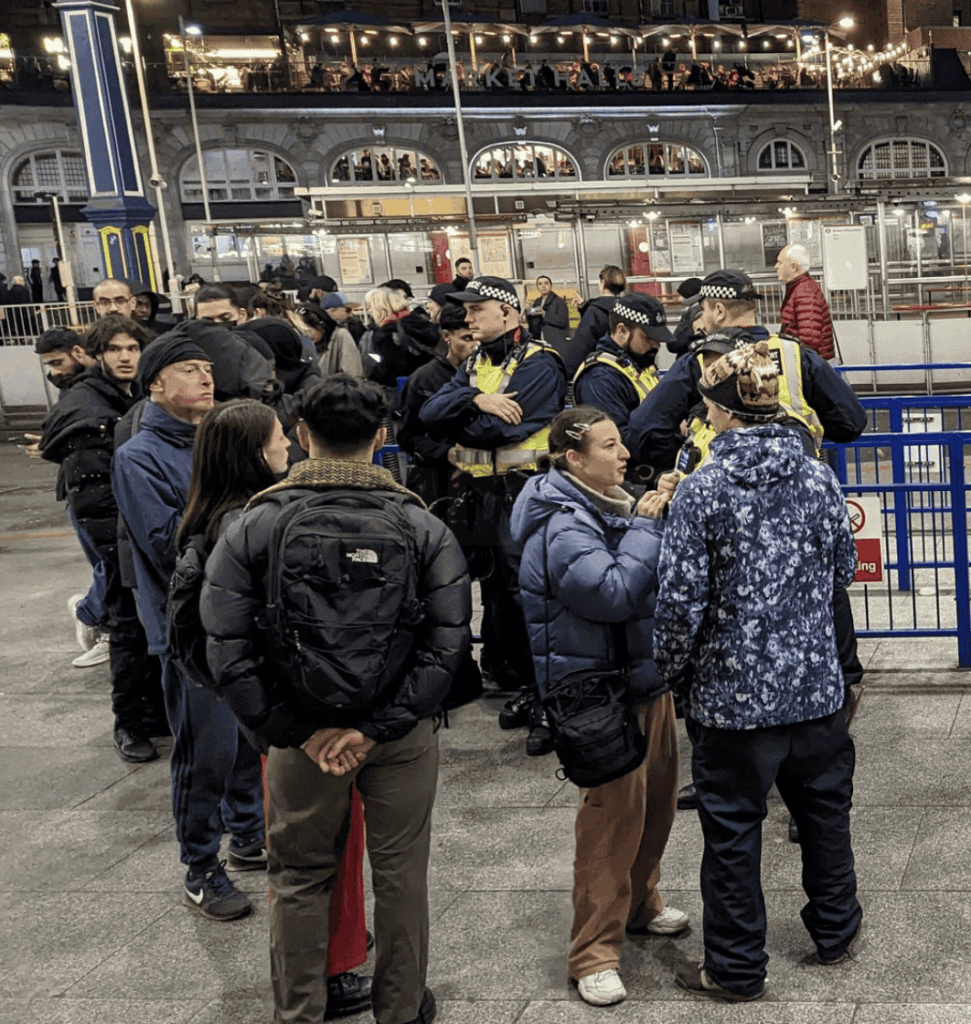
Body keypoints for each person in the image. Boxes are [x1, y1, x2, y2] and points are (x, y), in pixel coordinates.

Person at [201, 376, 472, 1024]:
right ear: (381, 439)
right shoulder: (418, 523)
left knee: (295, 879)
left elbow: (225, 645)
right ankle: (400, 1008)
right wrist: (381, 726)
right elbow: (448, 642)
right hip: (400, 737)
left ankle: (299, 1011)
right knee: (401, 875)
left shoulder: (253, 524)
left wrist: (293, 729)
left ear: (300, 436)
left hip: (301, 738)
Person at [653, 342, 862, 1002]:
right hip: (817, 693)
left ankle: (736, 968)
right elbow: (841, 574)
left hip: (732, 702)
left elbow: (678, 605)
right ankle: (836, 929)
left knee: (733, 835)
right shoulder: (817, 477)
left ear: (717, 412)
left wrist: (673, 675)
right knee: (825, 816)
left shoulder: (701, 492)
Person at [175, 399, 373, 1019]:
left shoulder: (212, 520)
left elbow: (197, 640)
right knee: (325, 852)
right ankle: (330, 971)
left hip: (270, 718)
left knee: (297, 851)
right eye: (278, 438)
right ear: (255, 454)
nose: (289, 444)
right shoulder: (261, 525)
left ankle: (321, 961)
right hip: (302, 721)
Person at [512, 405, 688, 1007]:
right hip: (601, 694)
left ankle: (642, 904)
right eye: (609, 447)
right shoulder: (563, 523)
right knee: (611, 822)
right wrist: (647, 526)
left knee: (655, 807)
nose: (623, 455)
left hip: (645, 681)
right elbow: (610, 592)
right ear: (573, 459)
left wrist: (648, 512)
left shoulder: (607, 504)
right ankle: (593, 951)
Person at [112, 333, 264, 920]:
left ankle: (249, 835)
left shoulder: (214, 436)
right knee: (205, 751)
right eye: (189, 370)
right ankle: (201, 867)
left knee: (250, 737)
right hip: (189, 627)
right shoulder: (140, 454)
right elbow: (166, 546)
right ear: (156, 383)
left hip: (237, 614)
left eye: (208, 369)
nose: (206, 378)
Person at [421, 275, 567, 753]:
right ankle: (528, 685)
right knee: (503, 597)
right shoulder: (477, 362)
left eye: (477, 309)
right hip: (483, 497)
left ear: (507, 313)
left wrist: (466, 415)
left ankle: (553, 697)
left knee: (533, 595)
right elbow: (429, 415)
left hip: (527, 494)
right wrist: (475, 398)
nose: (469, 318)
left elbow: (497, 432)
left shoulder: (541, 363)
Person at [40, 316, 167, 754]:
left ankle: (152, 715)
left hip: (137, 534)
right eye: (115, 349)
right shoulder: (88, 407)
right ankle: (129, 725)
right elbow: (91, 497)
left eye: (132, 348)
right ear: (96, 355)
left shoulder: (127, 394)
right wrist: (117, 557)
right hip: (116, 536)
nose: (125, 356)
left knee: (145, 626)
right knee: (127, 630)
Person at [627, 269, 867, 481]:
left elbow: (643, 431)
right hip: (795, 480)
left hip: (718, 490)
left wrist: (687, 448)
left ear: (719, 311)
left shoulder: (701, 361)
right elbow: (851, 423)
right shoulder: (794, 354)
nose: (701, 321)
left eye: (703, 311)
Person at [395, 300, 477, 508]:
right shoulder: (424, 379)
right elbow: (407, 436)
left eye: (478, 338)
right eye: (466, 338)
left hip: (482, 483)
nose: (475, 346)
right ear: (446, 336)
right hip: (438, 483)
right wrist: (446, 452)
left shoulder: (493, 375)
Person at [571, 293, 673, 450]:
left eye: (658, 339)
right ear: (622, 331)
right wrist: (673, 436)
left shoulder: (639, 363)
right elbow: (618, 442)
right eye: (648, 337)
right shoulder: (599, 379)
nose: (656, 345)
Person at [361, 285, 440, 389]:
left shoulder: (386, 333)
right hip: (433, 381)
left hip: (403, 388)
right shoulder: (420, 321)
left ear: (380, 308)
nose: (369, 311)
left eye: (371, 306)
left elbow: (390, 368)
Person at [561, 265, 626, 378]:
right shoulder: (628, 308)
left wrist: (565, 373)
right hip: (627, 371)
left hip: (603, 373)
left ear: (603, 282)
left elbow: (581, 347)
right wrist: (584, 306)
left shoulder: (594, 311)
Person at [777, 244, 836, 361]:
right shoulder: (800, 288)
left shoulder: (805, 292)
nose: (776, 266)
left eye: (780, 262)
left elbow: (810, 341)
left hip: (812, 368)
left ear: (793, 267)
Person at [295, 300, 363, 380]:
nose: (305, 335)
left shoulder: (340, 336)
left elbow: (353, 374)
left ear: (320, 325)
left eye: (307, 330)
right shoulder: (303, 345)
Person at [525, 275, 570, 350]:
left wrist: (545, 314)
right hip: (539, 340)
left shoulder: (559, 301)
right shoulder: (537, 302)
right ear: (537, 287)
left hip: (555, 341)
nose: (543, 286)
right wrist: (528, 310)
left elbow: (563, 321)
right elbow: (531, 322)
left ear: (551, 286)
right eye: (540, 284)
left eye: (546, 283)